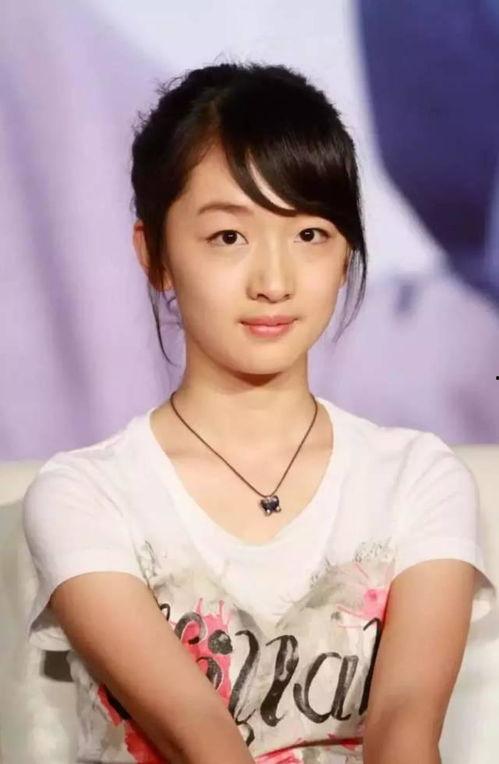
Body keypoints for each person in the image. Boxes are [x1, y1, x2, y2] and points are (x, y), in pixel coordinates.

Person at [22, 62, 496, 764]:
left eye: (309, 235)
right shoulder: (88, 494)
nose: (274, 282)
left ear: (346, 251)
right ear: (154, 255)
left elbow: (405, 728)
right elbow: (198, 738)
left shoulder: (416, 478)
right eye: (228, 237)